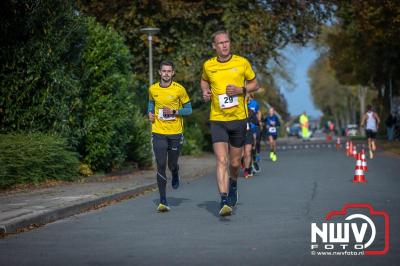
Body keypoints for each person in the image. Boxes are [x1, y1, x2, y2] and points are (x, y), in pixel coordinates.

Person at [201, 30, 259, 216]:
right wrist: (205, 92)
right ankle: (224, 199)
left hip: (238, 120)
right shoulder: (208, 65)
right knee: (221, 160)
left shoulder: (241, 62)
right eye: (220, 43)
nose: (225, 45)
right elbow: (203, 81)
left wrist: (241, 89)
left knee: (234, 162)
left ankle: (233, 183)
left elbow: (255, 84)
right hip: (218, 119)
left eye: (227, 42)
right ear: (214, 46)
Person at [148, 61, 192, 212]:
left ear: (173, 73)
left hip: (175, 133)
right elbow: (151, 102)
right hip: (158, 132)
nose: (166, 73)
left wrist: (174, 112)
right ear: (159, 72)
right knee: (160, 164)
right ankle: (163, 200)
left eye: (169, 71)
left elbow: (189, 110)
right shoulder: (153, 88)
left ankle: (175, 171)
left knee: (171, 164)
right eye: (164, 71)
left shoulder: (180, 90)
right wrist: (150, 113)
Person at [247, 93, 262, 172]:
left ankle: (254, 159)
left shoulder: (254, 103)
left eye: (247, 94)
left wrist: (259, 120)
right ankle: (248, 164)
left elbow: (259, 112)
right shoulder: (241, 103)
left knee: (254, 143)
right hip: (244, 127)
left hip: (253, 126)